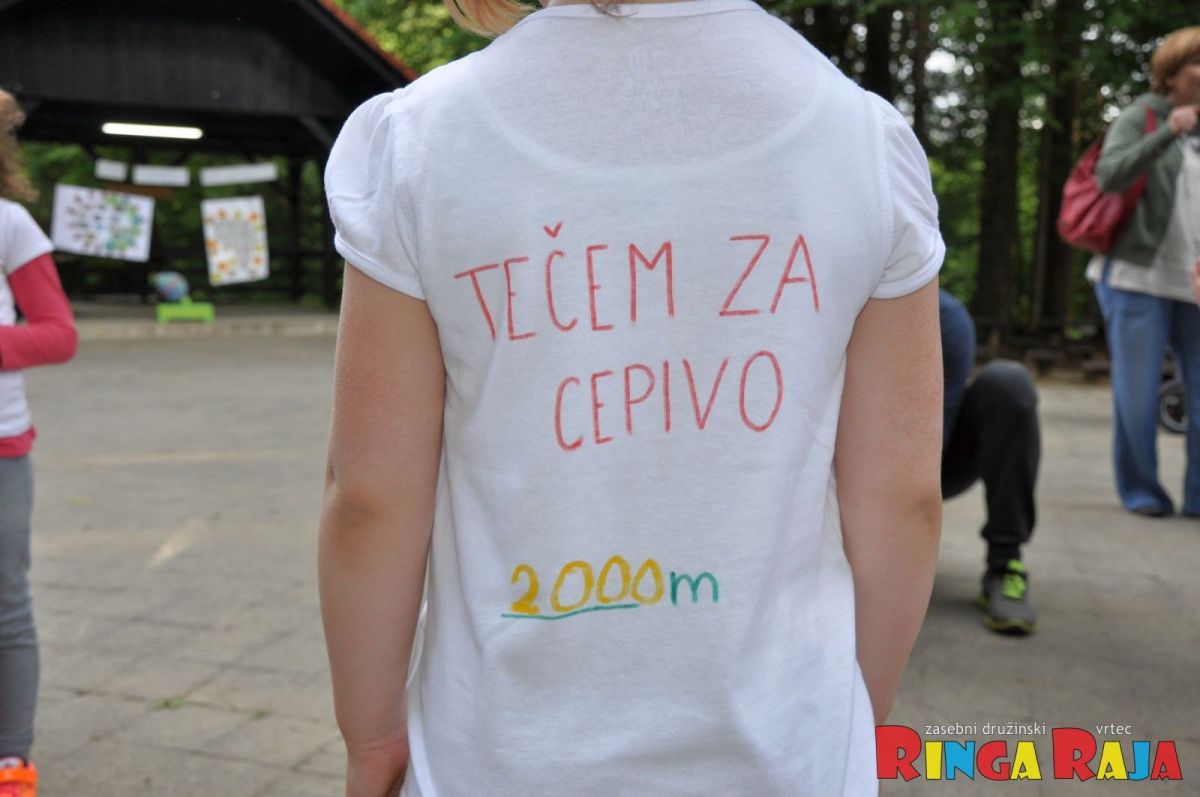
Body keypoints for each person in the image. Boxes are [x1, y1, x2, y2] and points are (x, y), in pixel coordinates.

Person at [318, 0, 946, 794]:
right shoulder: (863, 145)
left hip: (498, 759)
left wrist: (372, 735)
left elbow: (370, 499)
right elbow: (902, 499)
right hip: (786, 754)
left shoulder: (419, 143)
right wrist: (859, 712)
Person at [1085, 26, 1200, 518]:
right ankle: (1143, 492)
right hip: (1136, 279)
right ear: (1171, 74)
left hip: (1193, 283)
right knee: (1136, 397)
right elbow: (1109, 175)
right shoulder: (1143, 116)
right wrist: (1166, 133)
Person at [0, 89, 78, 797]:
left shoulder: (10, 224)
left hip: (2, 452)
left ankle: (11, 757)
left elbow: (58, 335)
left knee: (6, 607)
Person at [940, 291, 1039, 636]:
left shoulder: (944, 316)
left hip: (929, 458)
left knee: (1008, 384)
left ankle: (1005, 563)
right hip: (833, 461)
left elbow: (931, 447)